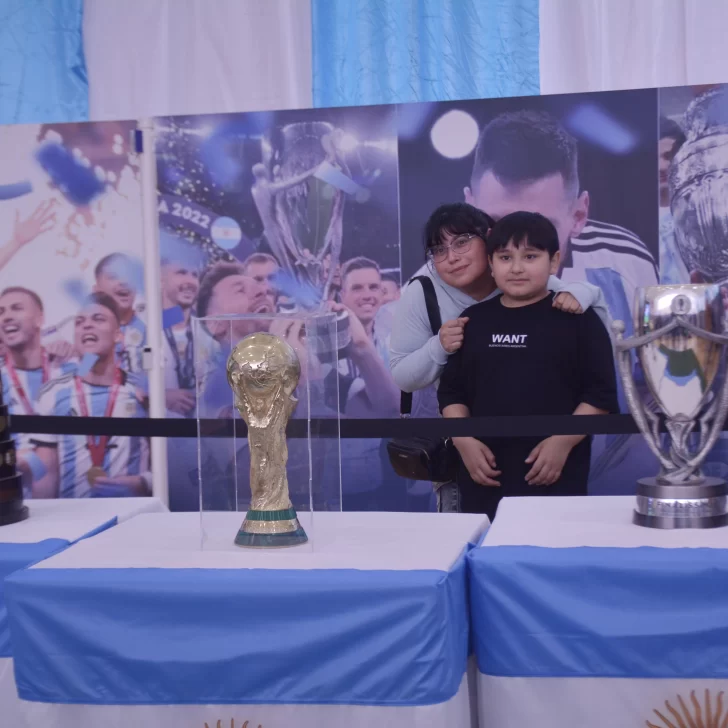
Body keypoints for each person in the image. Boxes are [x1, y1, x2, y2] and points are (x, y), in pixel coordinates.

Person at [438, 212, 618, 519]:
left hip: (556, 476)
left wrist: (562, 442)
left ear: (554, 261)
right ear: (491, 264)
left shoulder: (579, 320)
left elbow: (600, 395)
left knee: (552, 544)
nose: (517, 268)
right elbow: (451, 393)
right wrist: (463, 441)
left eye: (530, 256)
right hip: (483, 478)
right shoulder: (473, 320)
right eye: (505, 257)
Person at [464, 110, 658, 327]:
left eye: (538, 227)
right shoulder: (445, 275)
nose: (514, 247)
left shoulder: (625, 263)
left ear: (578, 216)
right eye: (495, 223)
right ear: (469, 210)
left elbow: (654, 348)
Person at [18, 293, 150, 499]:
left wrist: (144, 484)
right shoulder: (53, 393)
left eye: (98, 319)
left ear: (118, 335)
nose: (87, 325)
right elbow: (46, 476)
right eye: (79, 322)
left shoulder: (142, 392)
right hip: (72, 515)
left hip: (134, 514)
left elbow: (169, 465)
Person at [0, 287, 74, 450]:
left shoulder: (69, 368)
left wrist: (78, 351)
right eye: (1, 312)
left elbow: (100, 363)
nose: (6, 316)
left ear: (40, 319)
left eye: (17, 308)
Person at [161, 249, 203, 417]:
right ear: (160, 279)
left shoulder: (208, 333)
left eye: (194, 275)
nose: (190, 281)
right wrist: (155, 396)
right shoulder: (142, 330)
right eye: (181, 273)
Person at [93, 253, 147, 378]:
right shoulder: (86, 328)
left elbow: (151, 370)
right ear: (96, 290)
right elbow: (83, 372)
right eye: (114, 276)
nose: (123, 282)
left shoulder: (151, 323)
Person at [658, 116, 688, 284]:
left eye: (668, 156)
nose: (662, 166)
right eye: (653, 157)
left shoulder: (699, 208)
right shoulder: (636, 220)